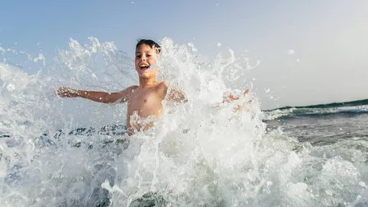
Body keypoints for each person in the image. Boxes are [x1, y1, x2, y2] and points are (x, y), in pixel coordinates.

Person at [57, 39, 248, 135]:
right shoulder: (132, 91)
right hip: (135, 156)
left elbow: (195, 105)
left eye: (148, 55)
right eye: (138, 55)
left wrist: (225, 104)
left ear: (158, 59)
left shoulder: (163, 88)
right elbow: (107, 97)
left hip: (154, 154)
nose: (143, 59)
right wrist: (76, 92)